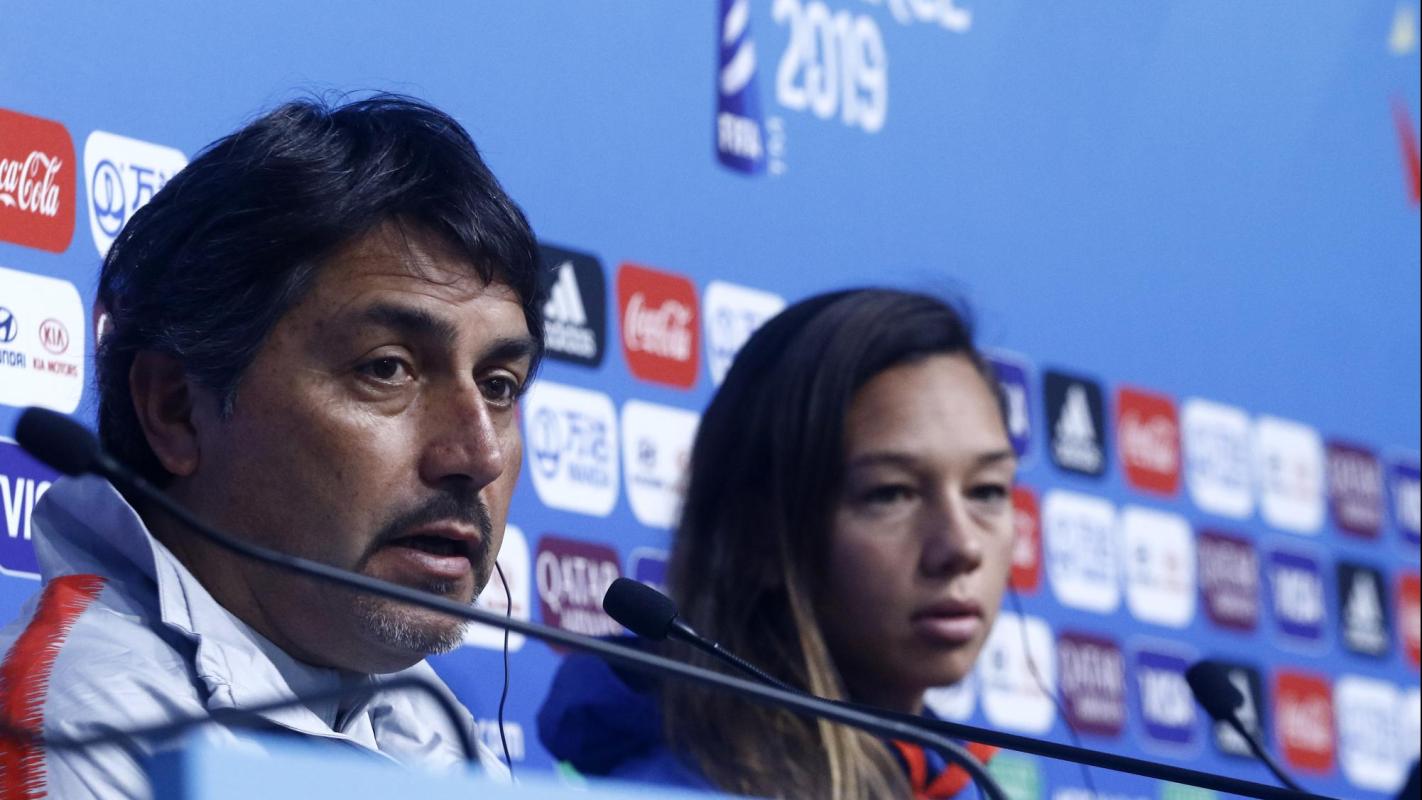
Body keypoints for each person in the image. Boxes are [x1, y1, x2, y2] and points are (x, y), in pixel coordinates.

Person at [0, 95, 544, 798]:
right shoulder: (77, 725)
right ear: (176, 410)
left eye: (499, 386)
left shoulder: (424, 720)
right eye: (387, 369)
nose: (478, 455)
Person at [539, 288, 1016, 799]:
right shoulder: (678, 790)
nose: (962, 547)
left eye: (987, 490)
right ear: (758, 534)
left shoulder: (956, 779)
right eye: (891, 493)